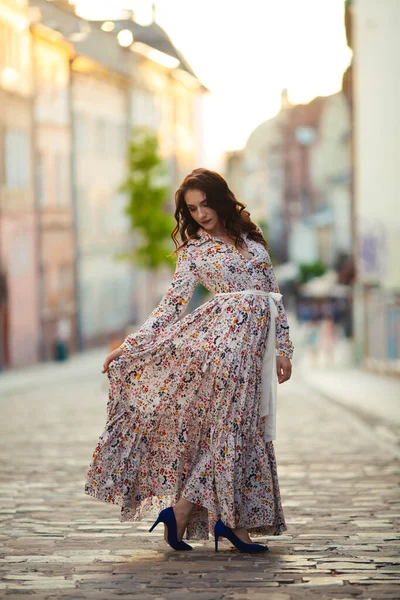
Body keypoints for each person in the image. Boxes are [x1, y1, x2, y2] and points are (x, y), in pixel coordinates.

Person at [85, 168, 294, 553]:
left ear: (220, 199)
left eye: (204, 204)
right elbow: (171, 306)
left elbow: (272, 295)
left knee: (243, 434)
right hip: (222, 349)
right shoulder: (195, 251)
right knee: (234, 433)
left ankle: (198, 517)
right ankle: (221, 523)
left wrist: (284, 348)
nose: (200, 214)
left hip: (255, 353)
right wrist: (131, 346)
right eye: (192, 209)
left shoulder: (250, 237)